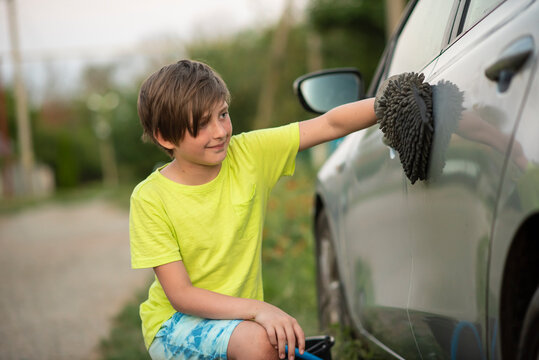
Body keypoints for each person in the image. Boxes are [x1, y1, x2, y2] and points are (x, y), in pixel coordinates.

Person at [129, 59, 377, 360]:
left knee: (263, 342)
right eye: (203, 124)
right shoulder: (150, 198)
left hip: (239, 323)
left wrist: (392, 104)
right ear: (165, 137)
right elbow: (181, 295)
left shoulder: (249, 154)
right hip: (174, 325)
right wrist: (260, 309)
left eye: (223, 114)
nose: (220, 132)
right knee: (261, 343)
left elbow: (328, 124)